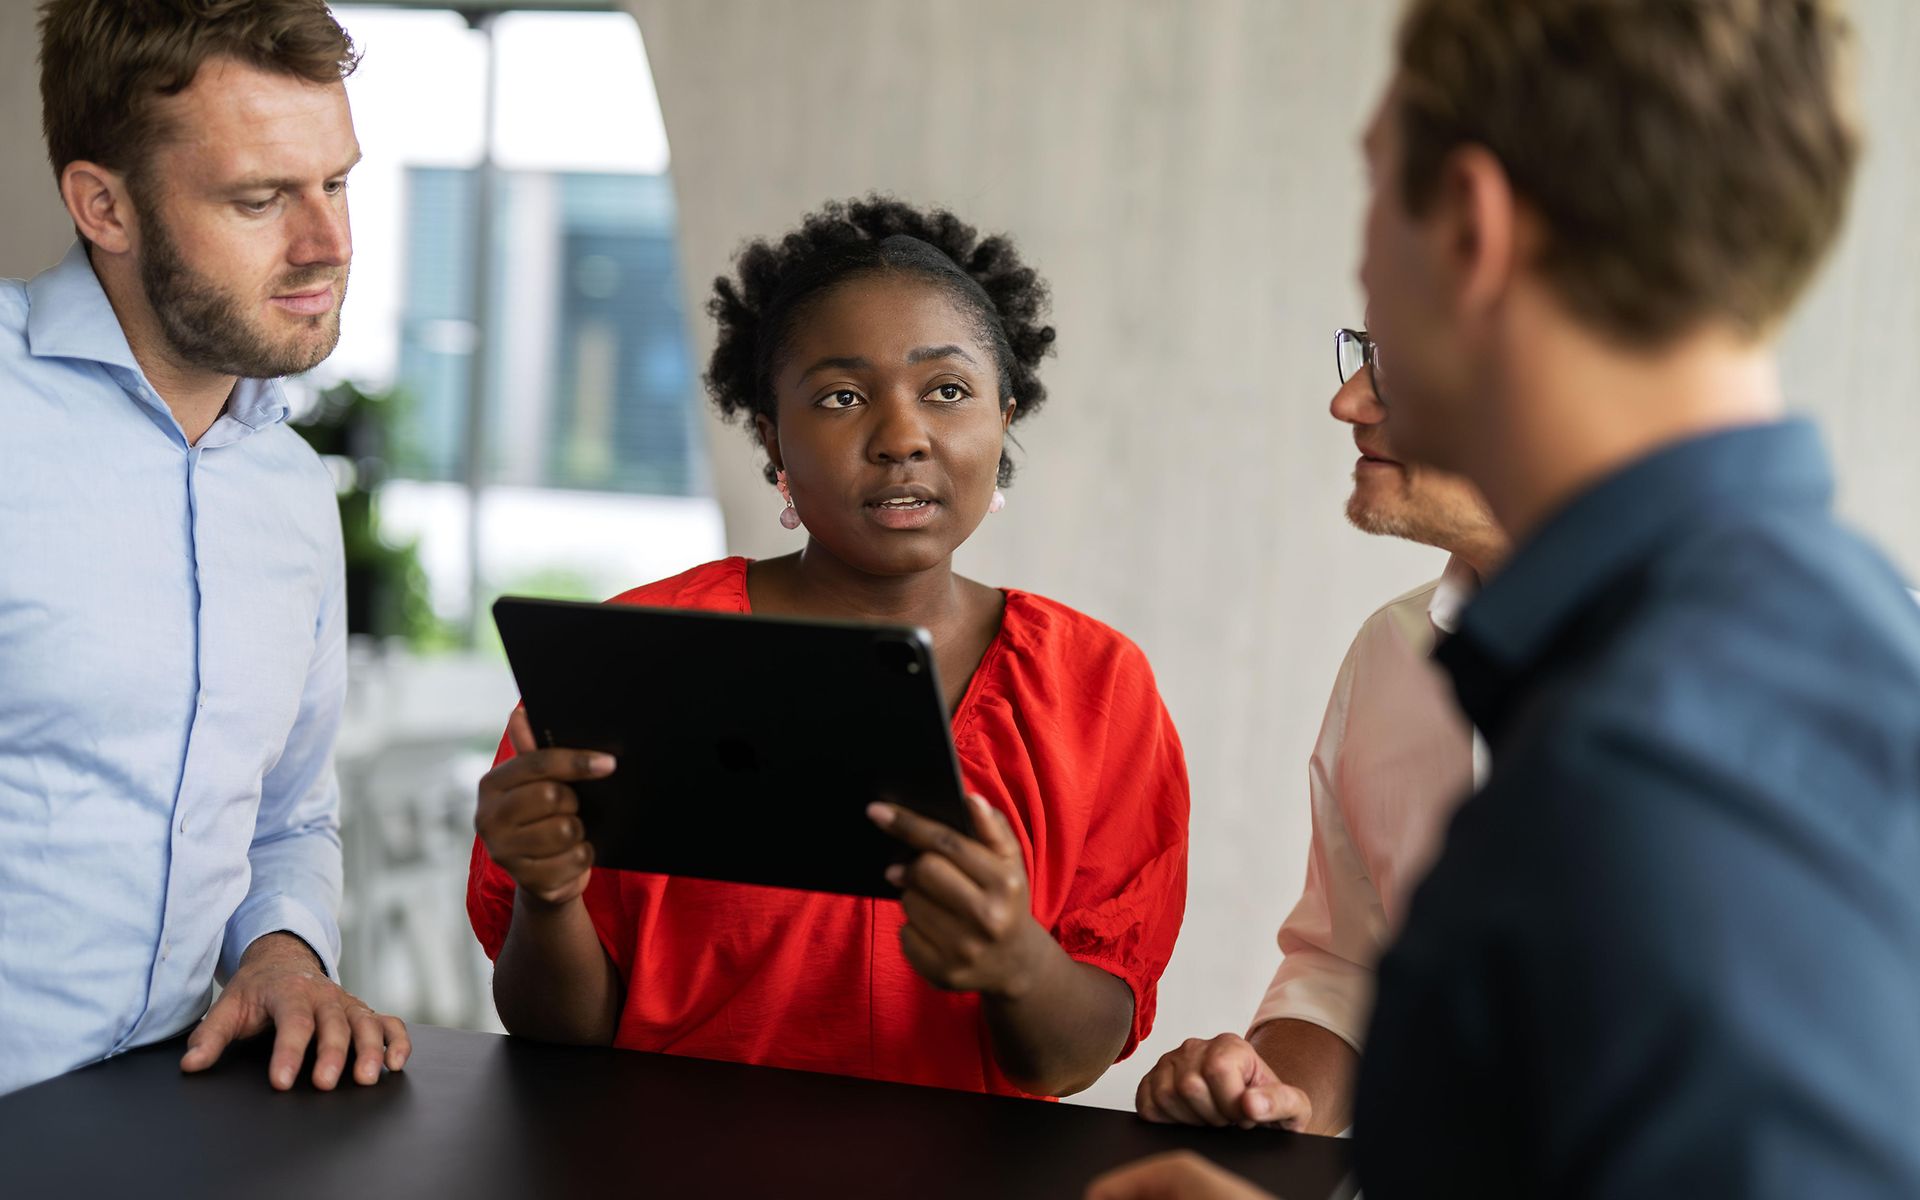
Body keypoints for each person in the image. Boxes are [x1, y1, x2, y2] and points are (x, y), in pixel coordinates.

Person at [1096, 0, 1920, 1195]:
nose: (1346, 394)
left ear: (1471, 229)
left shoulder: (1653, 778)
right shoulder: (1782, 667)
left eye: (1376, 195)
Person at [466, 198, 1190, 1099]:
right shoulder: (636, 661)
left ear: (1005, 416)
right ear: (772, 436)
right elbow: (555, 1036)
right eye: (842, 397)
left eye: (948, 391)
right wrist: (548, 895)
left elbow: (1071, 1059)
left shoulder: (1097, 688)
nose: (900, 438)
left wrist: (1016, 961)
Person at [0, 0, 409, 1096]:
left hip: (172, 1128)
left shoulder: (287, 488)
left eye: (336, 182)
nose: (328, 244)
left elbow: (287, 818)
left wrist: (281, 950)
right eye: (261, 197)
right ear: (104, 206)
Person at [1133, 330, 1504, 1136]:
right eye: (1363, 350)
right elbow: (1351, 967)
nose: (1349, 402)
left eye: (1400, 360)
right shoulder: (1394, 652)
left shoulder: (1784, 677)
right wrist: (1278, 1097)